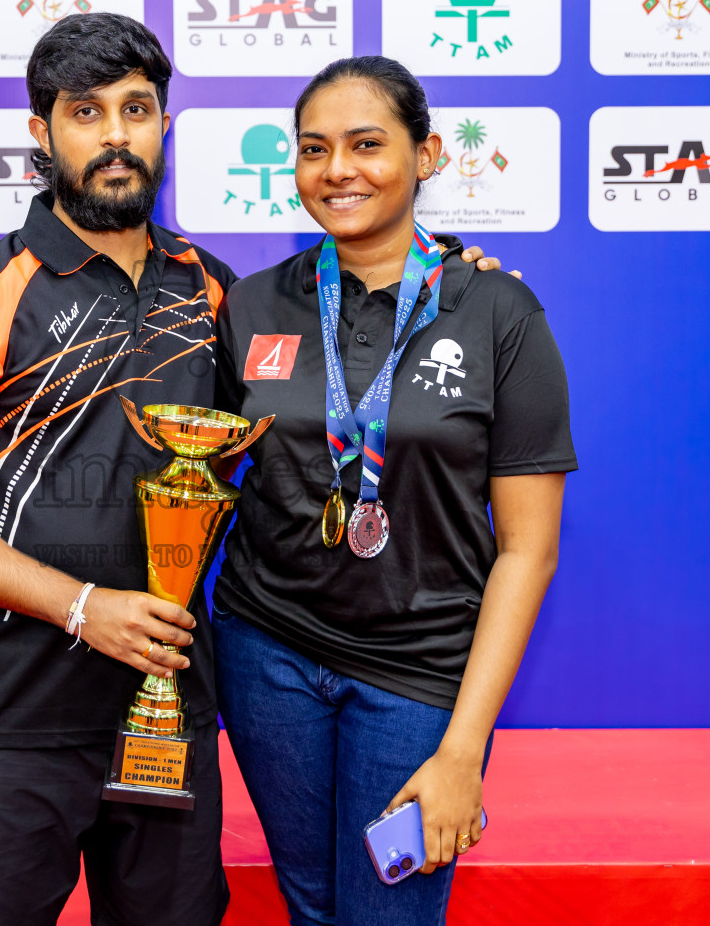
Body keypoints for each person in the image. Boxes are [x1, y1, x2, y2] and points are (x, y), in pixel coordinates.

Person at [0, 13, 509, 926]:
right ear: (41, 133)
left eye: (136, 110)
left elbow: (302, 423)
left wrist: (451, 279)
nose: (115, 136)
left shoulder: (217, 293)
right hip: (19, 713)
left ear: (164, 126)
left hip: (170, 705)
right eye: (86, 113)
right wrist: (78, 605)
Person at [210, 55, 576, 926]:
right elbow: (200, 474)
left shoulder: (498, 313)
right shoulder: (253, 305)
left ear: (428, 155)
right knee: (311, 907)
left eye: (366, 144)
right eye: (313, 148)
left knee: (388, 915)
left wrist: (463, 747)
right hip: (267, 653)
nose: (337, 169)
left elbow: (528, 551)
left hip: (418, 673)